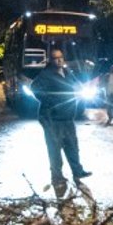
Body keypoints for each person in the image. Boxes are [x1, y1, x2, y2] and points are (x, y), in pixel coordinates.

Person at [31, 48, 91, 197]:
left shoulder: (67, 73)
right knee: (55, 148)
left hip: (67, 117)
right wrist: (51, 102)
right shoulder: (46, 75)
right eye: (55, 58)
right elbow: (35, 89)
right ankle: (57, 177)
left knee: (72, 145)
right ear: (51, 60)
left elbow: (76, 86)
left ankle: (78, 171)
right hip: (52, 118)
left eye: (61, 58)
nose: (59, 60)